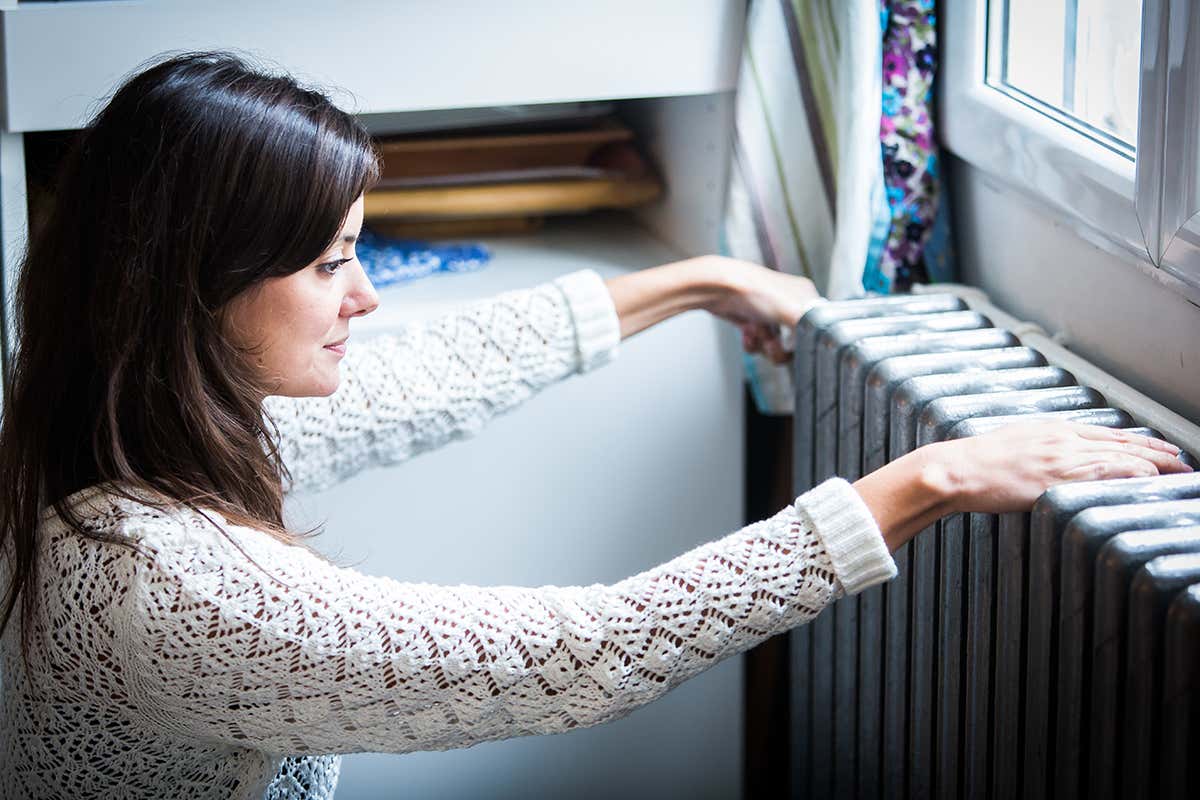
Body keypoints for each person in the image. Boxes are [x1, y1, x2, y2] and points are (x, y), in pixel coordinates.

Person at [0, 52, 1188, 800]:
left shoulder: (115, 411)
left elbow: (443, 367)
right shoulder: (162, 581)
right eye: (331, 262)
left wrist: (700, 278)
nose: (368, 297)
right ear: (192, 285)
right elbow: (591, 647)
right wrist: (920, 479)